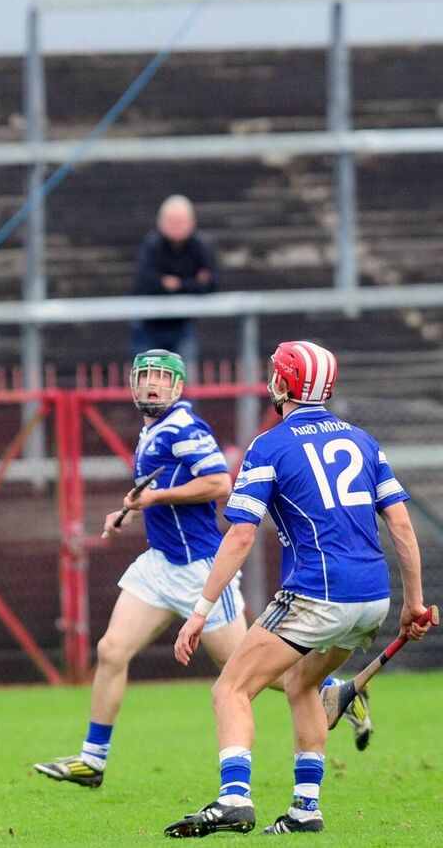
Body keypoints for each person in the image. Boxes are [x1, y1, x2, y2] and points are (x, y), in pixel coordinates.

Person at [164, 340, 429, 837]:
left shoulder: (269, 444)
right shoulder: (363, 441)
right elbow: (401, 526)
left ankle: (233, 799)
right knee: (302, 683)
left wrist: (200, 610)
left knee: (231, 688)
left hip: (316, 593)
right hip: (372, 597)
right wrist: (412, 603)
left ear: (283, 384)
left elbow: (241, 533)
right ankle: (306, 808)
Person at [34, 349, 239, 788]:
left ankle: (329, 691)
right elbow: (156, 487)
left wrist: (153, 500)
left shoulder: (183, 426)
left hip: (199, 567)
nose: (151, 384)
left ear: (178, 388)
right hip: (160, 563)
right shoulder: (152, 431)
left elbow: (219, 482)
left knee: (243, 669)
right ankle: (92, 761)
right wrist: (126, 511)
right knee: (111, 651)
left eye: (162, 378)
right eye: (144, 375)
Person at [129, 194, 217, 376]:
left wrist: (176, 283)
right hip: (148, 325)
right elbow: (147, 282)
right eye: (171, 221)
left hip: (181, 326)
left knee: (183, 383)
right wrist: (191, 283)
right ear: (160, 221)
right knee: (147, 383)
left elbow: (211, 283)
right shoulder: (151, 246)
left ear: (192, 221)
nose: (176, 226)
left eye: (181, 221)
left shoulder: (200, 246)